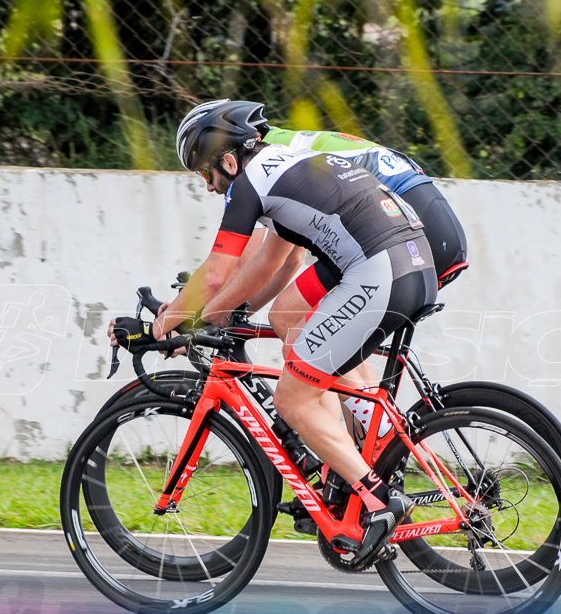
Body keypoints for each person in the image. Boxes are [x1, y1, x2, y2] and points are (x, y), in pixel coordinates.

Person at [109, 100, 438, 565]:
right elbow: (278, 264)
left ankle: (380, 500)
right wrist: (224, 317)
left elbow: (218, 273)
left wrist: (165, 325)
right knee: (294, 330)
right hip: (410, 263)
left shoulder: (248, 183)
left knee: (292, 398)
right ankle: (359, 459)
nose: (208, 187)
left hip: (378, 272)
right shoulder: (284, 167)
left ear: (228, 159)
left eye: (206, 174)